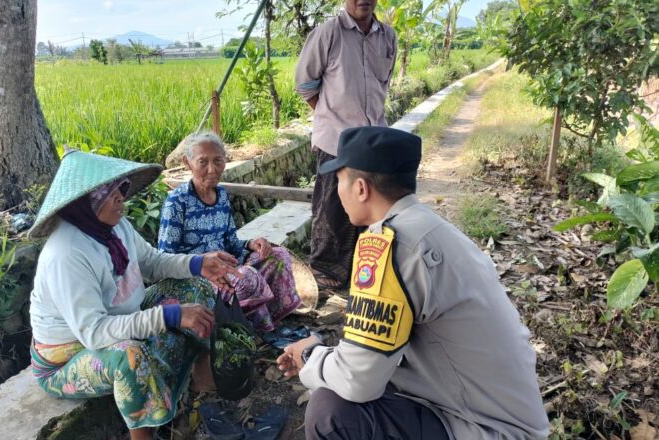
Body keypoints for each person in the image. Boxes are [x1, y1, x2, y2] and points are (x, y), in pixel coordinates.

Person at [276, 127, 550, 439]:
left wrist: (311, 357)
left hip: (484, 428)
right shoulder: (431, 228)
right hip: (498, 414)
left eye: (339, 179)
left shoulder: (387, 245)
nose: (336, 190)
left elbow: (357, 382)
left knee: (331, 411)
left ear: (361, 188)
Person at [28, 149, 243, 440]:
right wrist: (171, 315)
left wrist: (198, 263)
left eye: (121, 189)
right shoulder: (66, 255)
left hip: (121, 319)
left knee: (197, 287)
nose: (120, 197)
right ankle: (144, 436)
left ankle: (199, 385)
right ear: (83, 204)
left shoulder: (115, 228)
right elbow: (95, 333)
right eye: (109, 192)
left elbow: (153, 263)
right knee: (130, 356)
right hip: (68, 357)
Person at [295, 0, 397, 290]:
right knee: (332, 207)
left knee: (372, 204)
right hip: (336, 138)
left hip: (374, 137)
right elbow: (305, 84)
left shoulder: (387, 36)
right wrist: (329, 115)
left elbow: (382, 84)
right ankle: (326, 273)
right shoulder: (328, 33)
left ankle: (364, 271)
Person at [158, 132, 301, 332]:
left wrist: (250, 244)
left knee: (278, 256)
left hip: (227, 267)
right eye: (203, 162)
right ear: (187, 163)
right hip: (197, 275)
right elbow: (165, 258)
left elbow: (231, 243)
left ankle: (274, 320)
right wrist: (202, 260)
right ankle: (251, 331)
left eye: (218, 160)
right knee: (246, 278)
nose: (212, 169)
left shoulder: (222, 195)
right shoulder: (176, 202)